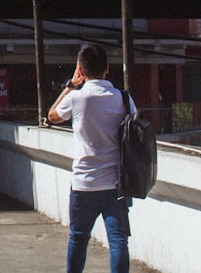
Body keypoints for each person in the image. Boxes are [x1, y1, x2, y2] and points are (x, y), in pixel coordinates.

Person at [47, 43, 135, 273]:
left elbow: (52, 116)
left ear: (80, 70)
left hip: (83, 184)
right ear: (107, 68)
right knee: (118, 242)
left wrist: (70, 87)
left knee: (78, 237)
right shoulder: (123, 99)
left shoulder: (76, 98)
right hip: (115, 185)